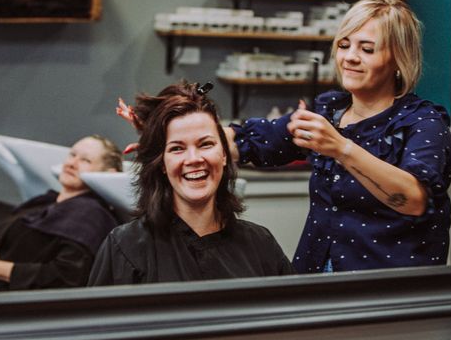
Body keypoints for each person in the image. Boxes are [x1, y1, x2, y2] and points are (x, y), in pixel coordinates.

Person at [224, 0, 451, 273]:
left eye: (367, 49)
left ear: (398, 60)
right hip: (317, 279)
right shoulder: (328, 110)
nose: (350, 58)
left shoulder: (422, 121)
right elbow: (252, 140)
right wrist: (196, 134)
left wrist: (341, 149)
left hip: (388, 290)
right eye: (344, 45)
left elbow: (414, 200)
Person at [88, 82, 296, 285]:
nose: (194, 158)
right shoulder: (126, 248)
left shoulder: (260, 244)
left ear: (224, 154)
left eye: (205, 144)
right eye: (177, 148)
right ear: (162, 164)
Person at [0, 135, 123, 293]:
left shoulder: (90, 216)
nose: (72, 163)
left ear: (108, 173)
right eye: (72, 154)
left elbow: (67, 276)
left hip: (0, 300)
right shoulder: (45, 202)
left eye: (85, 160)